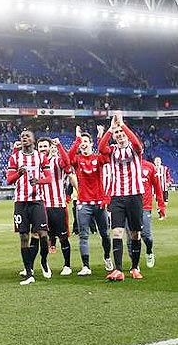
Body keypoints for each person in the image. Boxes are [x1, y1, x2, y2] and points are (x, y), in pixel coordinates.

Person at [97, 112, 144, 281]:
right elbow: (101, 148)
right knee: (116, 232)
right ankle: (118, 270)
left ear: (126, 133)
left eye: (121, 132)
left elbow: (137, 144)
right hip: (117, 196)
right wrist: (110, 129)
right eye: (117, 133)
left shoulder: (135, 149)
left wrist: (122, 124)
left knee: (135, 234)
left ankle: (134, 267)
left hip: (134, 195)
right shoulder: (112, 151)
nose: (120, 135)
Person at [6, 129, 53, 286]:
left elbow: (49, 179)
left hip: (36, 201)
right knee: (24, 237)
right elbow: (8, 180)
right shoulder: (14, 158)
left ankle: (44, 261)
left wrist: (38, 181)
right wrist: (19, 174)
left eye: (28, 136)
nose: (24, 138)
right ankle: (29, 271)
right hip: (20, 202)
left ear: (34, 140)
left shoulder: (41, 157)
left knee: (43, 234)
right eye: (22, 136)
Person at [68, 126, 113, 276]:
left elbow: (105, 152)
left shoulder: (98, 158)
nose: (83, 143)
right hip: (83, 204)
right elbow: (68, 158)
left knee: (105, 234)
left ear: (91, 144)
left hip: (99, 203)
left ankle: (107, 257)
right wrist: (77, 139)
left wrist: (101, 136)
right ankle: (86, 266)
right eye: (82, 141)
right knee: (83, 235)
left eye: (86, 141)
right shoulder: (78, 159)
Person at [36, 137, 72, 275]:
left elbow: (67, 162)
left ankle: (67, 265)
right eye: (40, 147)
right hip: (41, 206)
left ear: (50, 147)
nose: (43, 149)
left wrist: (59, 145)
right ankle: (44, 264)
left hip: (57, 205)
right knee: (43, 237)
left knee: (63, 237)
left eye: (45, 146)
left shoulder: (56, 161)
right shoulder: (36, 164)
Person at [125, 158, 166, 268]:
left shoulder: (149, 166)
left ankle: (149, 251)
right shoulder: (125, 165)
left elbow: (157, 187)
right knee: (130, 238)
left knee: (146, 236)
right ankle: (135, 265)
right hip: (128, 207)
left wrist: (161, 205)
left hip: (145, 207)